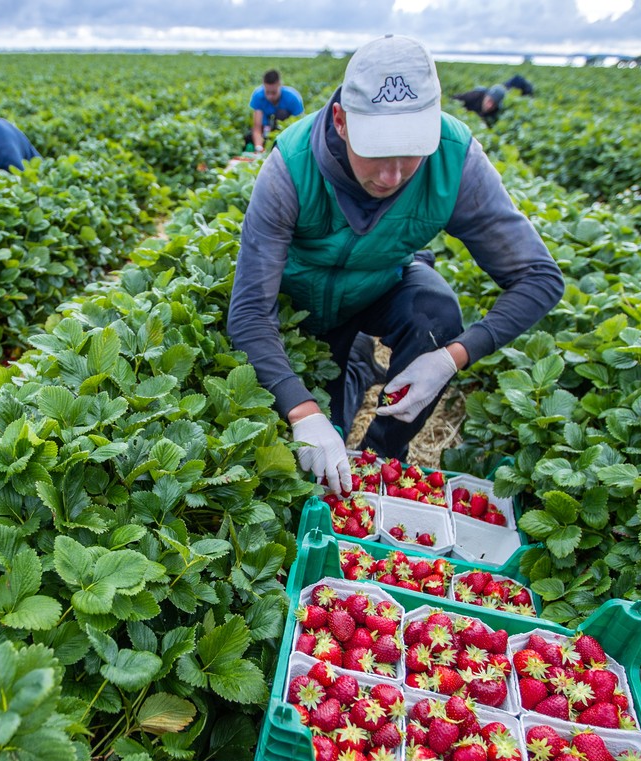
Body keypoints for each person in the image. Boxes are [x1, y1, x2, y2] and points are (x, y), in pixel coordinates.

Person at [226, 35, 563, 494]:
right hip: (300, 306)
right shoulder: (291, 166)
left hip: (379, 285)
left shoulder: (453, 158)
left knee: (437, 314)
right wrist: (302, 411)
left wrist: (451, 358)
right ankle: (357, 365)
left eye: (410, 153)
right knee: (318, 455)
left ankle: (383, 462)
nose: (393, 175)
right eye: (379, 152)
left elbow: (538, 277)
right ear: (342, 122)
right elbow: (248, 313)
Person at [247, 69, 305, 153]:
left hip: (287, 134)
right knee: (249, 136)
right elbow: (257, 127)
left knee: (282, 113)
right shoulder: (258, 95)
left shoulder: (293, 97)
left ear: (280, 85)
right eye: (267, 92)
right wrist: (258, 148)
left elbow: (301, 126)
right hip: (266, 130)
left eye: (273, 93)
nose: (270, 96)